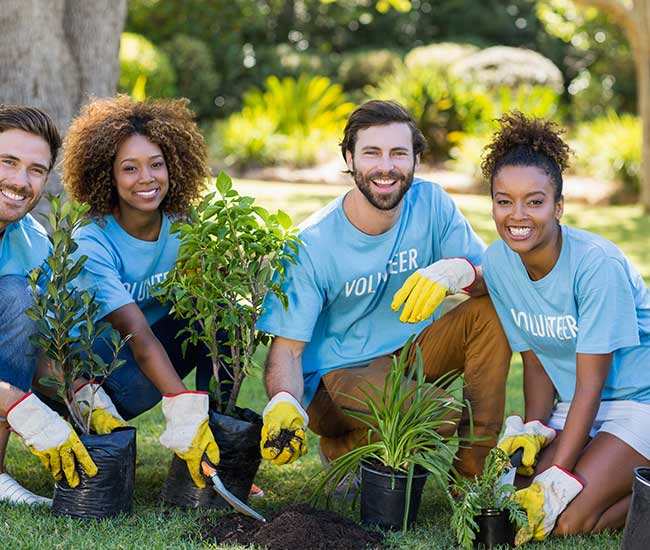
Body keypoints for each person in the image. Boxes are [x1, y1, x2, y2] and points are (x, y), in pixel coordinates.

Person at [257, 100, 511, 479]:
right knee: (438, 416)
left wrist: (461, 271)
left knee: (492, 310)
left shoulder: (431, 203)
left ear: (416, 160)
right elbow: (288, 351)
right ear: (349, 157)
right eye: (371, 153)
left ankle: (472, 477)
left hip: (411, 355)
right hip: (338, 375)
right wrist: (283, 401)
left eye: (398, 153)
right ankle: (344, 447)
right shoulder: (311, 243)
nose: (386, 167)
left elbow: (500, 279)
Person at [481, 112, 650, 544]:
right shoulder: (499, 262)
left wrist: (557, 477)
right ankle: (617, 473)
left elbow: (591, 385)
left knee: (566, 519)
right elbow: (535, 361)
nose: (517, 215)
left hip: (637, 400)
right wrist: (533, 435)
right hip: (577, 404)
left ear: (558, 206)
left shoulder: (597, 266)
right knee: (517, 496)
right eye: (504, 200)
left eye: (534, 202)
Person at [62, 95, 229, 490]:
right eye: (130, 168)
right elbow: (136, 335)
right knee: (143, 343)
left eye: (156, 164)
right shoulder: (92, 241)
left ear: (174, 164)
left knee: (218, 312)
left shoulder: (183, 225)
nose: (146, 178)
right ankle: (193, 433)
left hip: (147, 362)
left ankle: (218, 451)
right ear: (107, 175)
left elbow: (202, 309)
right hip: (96, 384)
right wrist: (182, 409)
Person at [0, 105, 98, 506]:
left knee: (20, 299)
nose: (20, 181)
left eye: (36, 170)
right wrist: (18, 407)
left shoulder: (33, 242)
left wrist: (83, 395)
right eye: (7, 162)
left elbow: (36, 346)